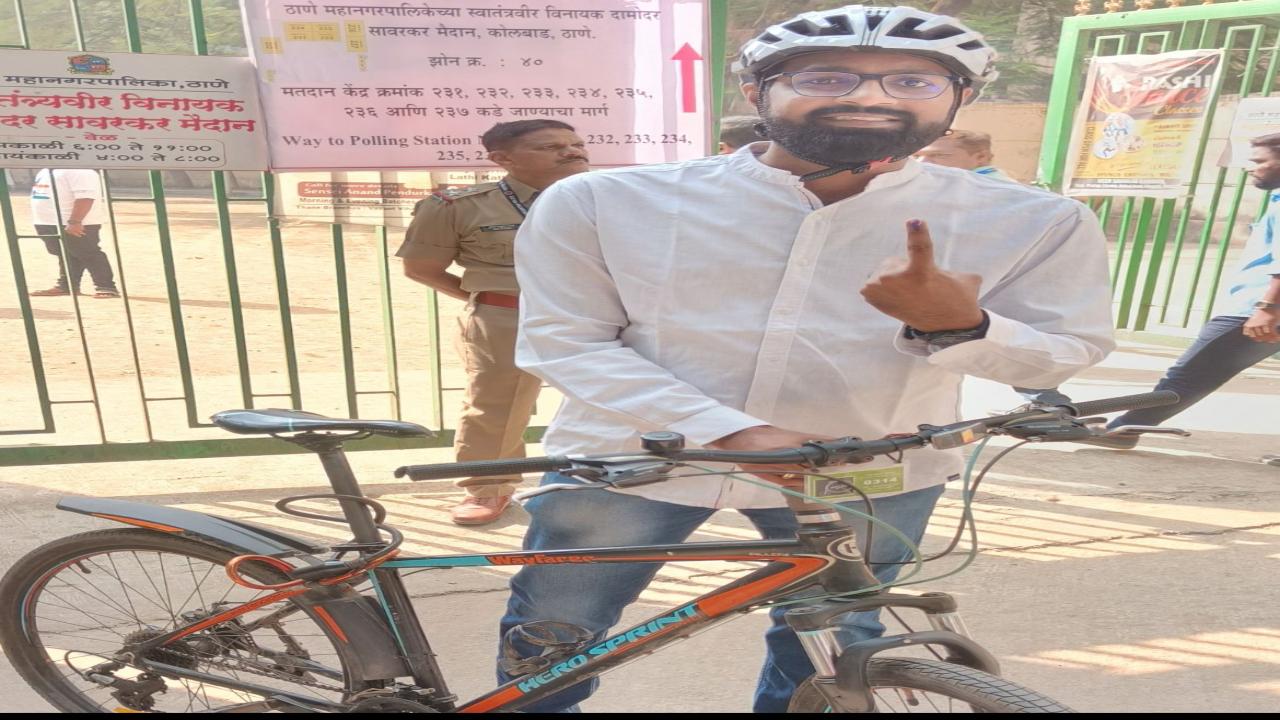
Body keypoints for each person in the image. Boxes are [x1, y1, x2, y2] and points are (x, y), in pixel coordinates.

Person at [503, 5, 1115, 712]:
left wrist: (964, 326)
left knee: (832, 648)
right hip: (630, 458)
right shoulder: (606, 201)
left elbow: (1065, 352)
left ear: (961, 98)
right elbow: (564, 340)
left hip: (865, 470)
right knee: (552, 638)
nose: (869, 98)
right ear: (755, 91)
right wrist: (730, 430)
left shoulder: (1034, 221)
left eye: (913, 82)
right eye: (826, 76)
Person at [397, 120, 590, 525]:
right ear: (502, 159)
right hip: (507, 315)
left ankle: (627, 479)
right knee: (497, 406)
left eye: (575, 144)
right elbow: (422, 268)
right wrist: (487, 300)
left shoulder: (609, 196)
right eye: (551, 147)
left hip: (598, 314)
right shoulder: (457, 206)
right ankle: (489, 488)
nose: (571, 152)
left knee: (624, 396)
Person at [1094, 131, 1280, 451]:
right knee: (1193, 374)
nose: (1252, 168)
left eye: (1261, 161)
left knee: (1189, 375)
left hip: (1255, 306)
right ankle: (1125, 427)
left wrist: (1267, 306)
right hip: (1259, 304)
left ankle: (1123, 429)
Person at [916, 130, 1073, 408]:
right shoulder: (951, 186)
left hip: (986, 280)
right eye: (920, 156)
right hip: (964, 280)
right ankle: (1047, 401)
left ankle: (1048, 403)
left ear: (980, 156)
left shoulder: (994, 192)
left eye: (940, 155)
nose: (926, 163)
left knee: (991, 339)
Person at [28, 168, 118, 298]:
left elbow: (86, 198)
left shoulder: (81, 170)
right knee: (64, 253)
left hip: (75, 221)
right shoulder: (46, 170)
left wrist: (75, 221)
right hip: (48, 221)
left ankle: (106, 286)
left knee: (87, 252)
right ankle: (67, 286)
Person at [915, 129, 1016, 181]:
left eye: (939, 155)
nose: (921, 162)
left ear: (981, 157)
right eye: (916, 156)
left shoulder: (988, 189)